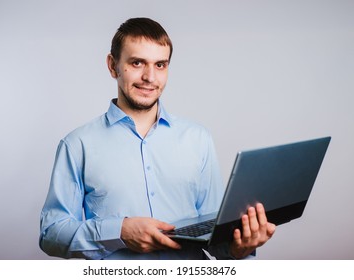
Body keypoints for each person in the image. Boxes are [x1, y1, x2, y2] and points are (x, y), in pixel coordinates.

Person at [39, 17, 275, 260]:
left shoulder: (198, 139)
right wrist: (119, 231)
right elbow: (51, 233)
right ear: (113, 66)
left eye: (160, 65)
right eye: (138, 62)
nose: (150, 77)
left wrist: (239, 248)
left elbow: (214, 236)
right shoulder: (77, 145)